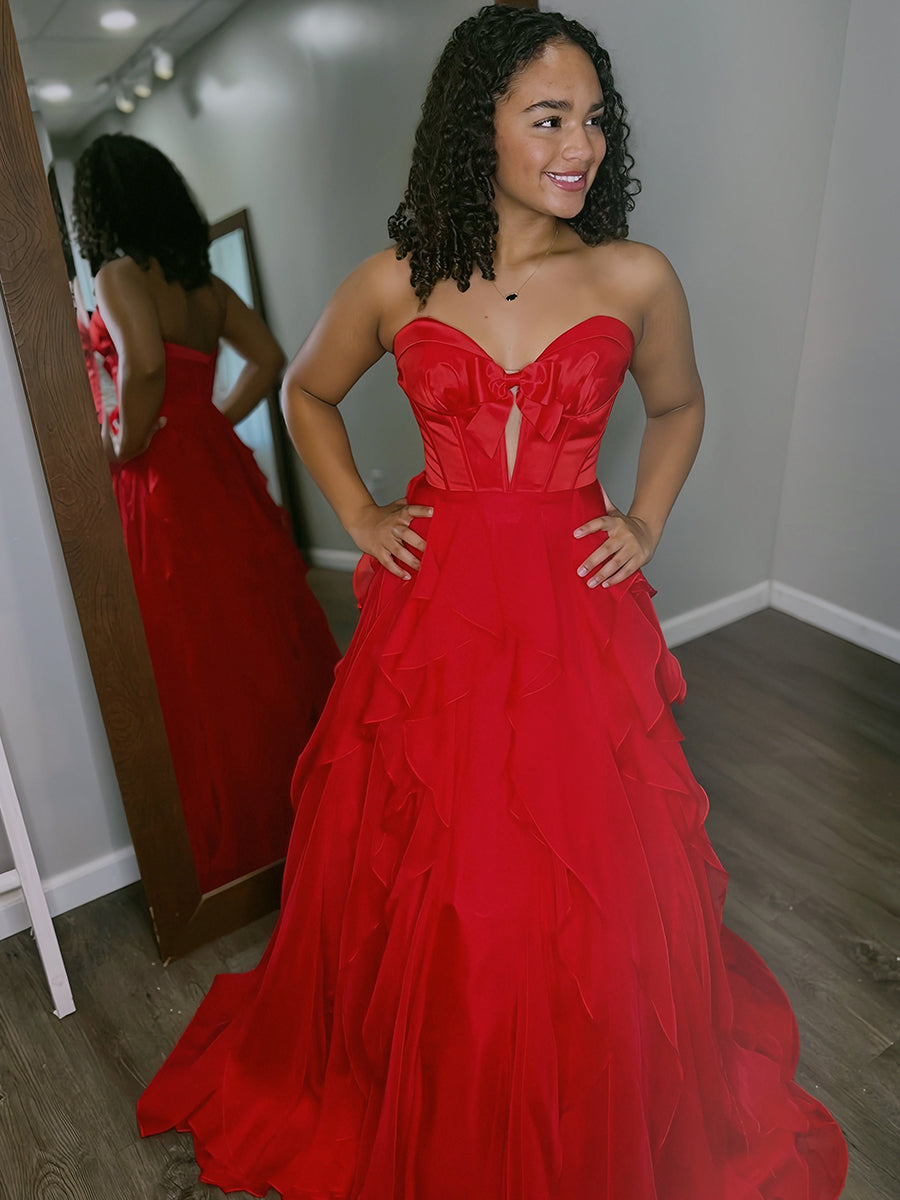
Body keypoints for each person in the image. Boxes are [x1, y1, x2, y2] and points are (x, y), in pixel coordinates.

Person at [136, 8, 848, 1196]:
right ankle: (440, 1080)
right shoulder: (397, 280)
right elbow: (306, 393)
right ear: (482, 127)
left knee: (582, 874)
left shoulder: (632, 275)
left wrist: (644, 520)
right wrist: (362, 516)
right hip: (440, 612)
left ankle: (574, 1092)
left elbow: (679, 406)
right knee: (435, 868)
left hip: (574, 609)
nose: (583, 147)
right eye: (551, 119)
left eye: (596, 120)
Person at [72, 133, 340, 893]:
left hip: (162, 476)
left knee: (190, 645)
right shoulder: (205, 285)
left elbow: (145, 366)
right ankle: (306, 797)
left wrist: (124, 443)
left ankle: (237, 818)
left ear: (99, 206)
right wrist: (214, 419)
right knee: (255, 628)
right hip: (215, 465)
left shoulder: (117, 273)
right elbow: (271, 357)